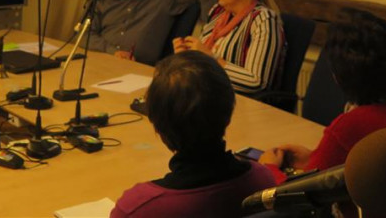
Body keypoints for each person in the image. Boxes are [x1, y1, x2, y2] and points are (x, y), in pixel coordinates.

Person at [260, 8, 386, 218]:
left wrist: (269, 169)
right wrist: (314, 158)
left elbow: (295, 200)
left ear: (336, 77)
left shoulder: (348, 127)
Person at [111, 50, 276, 217]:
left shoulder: (137, 209)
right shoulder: (263, 183)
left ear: (157, 125)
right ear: (229, 114)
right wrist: (272, 168)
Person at [172, 0, 284, 94]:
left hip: (236, 100)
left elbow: (257, 82)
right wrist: (187, 57)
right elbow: (202, 63)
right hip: (205, 91)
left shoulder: (263, 19)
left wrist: (210, 59)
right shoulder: (217, 12)